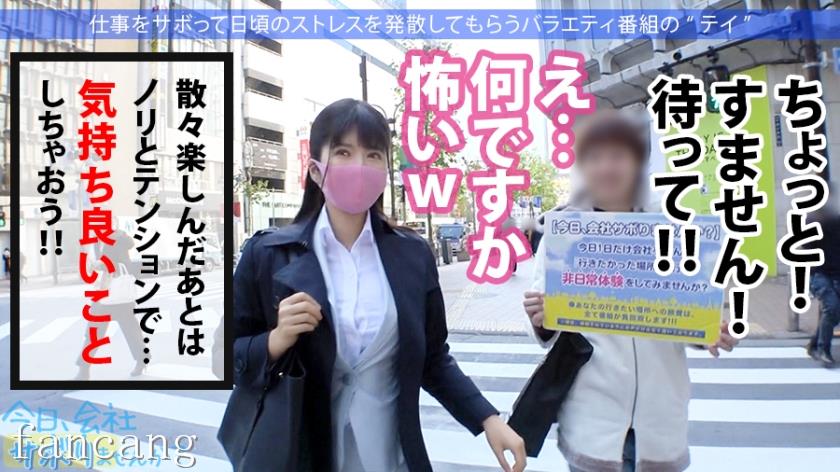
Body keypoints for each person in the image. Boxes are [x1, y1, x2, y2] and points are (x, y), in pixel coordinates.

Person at [231, 98, 526, 472]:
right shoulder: (267, 255)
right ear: (316, 171)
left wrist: (488, 419)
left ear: (386, 169)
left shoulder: (413, 255)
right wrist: (276, 340)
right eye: (343, 152)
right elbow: (231, 356)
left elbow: (433, 358)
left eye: (373, 155)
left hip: (392, 457)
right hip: (301, 456)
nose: (360, 165)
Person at [522, 112, 738, 472]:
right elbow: (546, 322)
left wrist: (709, 329)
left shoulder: (675, 230)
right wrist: (541, 318)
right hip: (592, 422)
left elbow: (690, 312)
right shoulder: (563, 234)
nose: (607, 167)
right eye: (595, 157)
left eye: (618, 156)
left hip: (661, 420)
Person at [74, 223, 146, 379]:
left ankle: (84, 369)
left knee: (100, 334)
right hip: (115, 298)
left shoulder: (113, 244)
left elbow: (119, 265)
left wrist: (99, 264)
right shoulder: (105, 245)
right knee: (127, 332)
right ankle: (141, 360)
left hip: (111, 299)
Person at [805, 195, 840, 366]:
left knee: (834, 312)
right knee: (831, 307)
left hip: (836, 273)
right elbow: (806, 245)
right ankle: (822, 349)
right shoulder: (813, 220)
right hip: (819, 274)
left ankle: (814, 344)